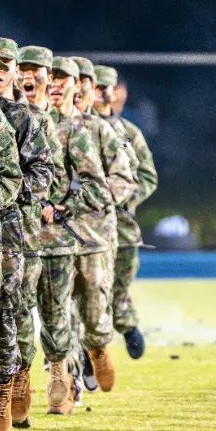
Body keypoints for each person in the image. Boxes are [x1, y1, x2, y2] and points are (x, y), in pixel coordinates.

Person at [25, 51, 109, 415]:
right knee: (7, 314)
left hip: (56, 240)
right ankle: (7, 383)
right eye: (23, 71)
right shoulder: (4, 118)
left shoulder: (74, 129)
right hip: (8, 237)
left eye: (39, 73)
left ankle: (63, 370)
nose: (30, 79)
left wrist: (64, 208)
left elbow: (99, 187)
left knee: (57, 313)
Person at [0, 38, 56, 431]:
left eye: (2, 66)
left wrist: (6, 192)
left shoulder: (26, 118)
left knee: (15, 310)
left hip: (21, 233)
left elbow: (44, 173)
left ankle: (16, 376)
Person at [68, 57, 136, 393]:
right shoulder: (41, 124)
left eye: (86, 82)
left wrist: (86, 199)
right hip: (51, 234)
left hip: (95, 233)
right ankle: (65, 376)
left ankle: (96, 346)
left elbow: (127, 179)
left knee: (94, 304)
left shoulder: (105, 130)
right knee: (58, 310)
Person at [94, 65, 158, 358]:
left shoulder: (130, 133)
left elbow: (148, 176)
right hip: (87, 226)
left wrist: (125, 197)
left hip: (122, 225)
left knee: (119, 282)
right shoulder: (79, 128)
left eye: (108, 89)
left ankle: (125, 322)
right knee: (90, 286)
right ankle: (90, 347)